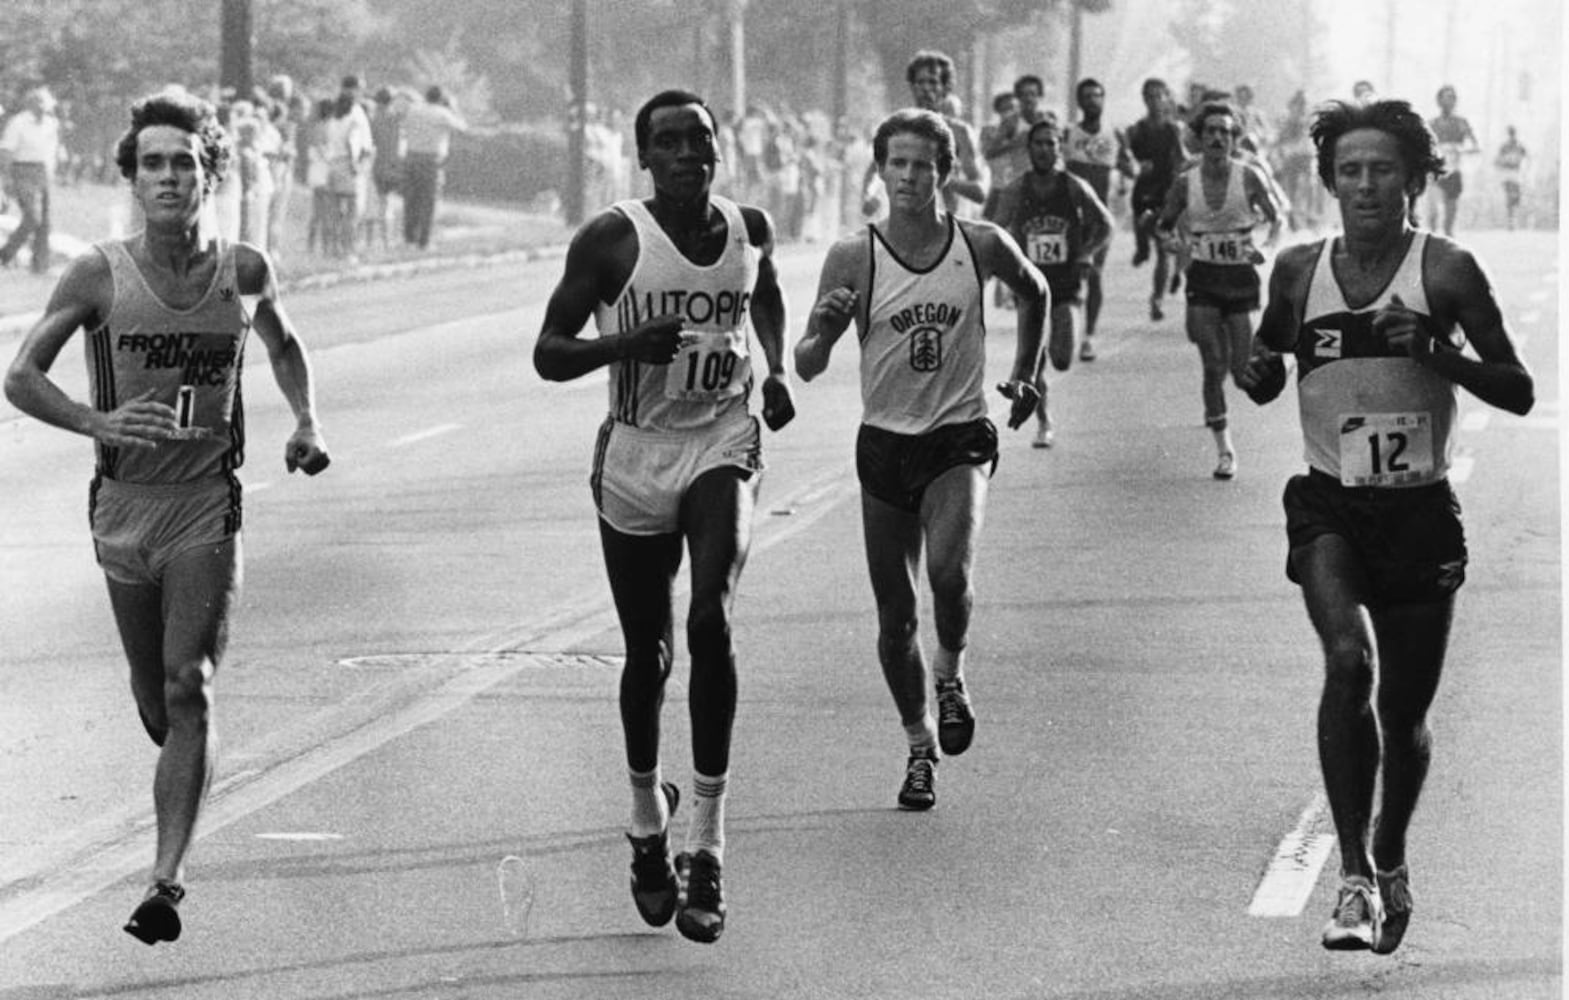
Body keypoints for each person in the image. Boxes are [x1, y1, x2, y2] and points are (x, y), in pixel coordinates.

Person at [2, 90, 330, 945]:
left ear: (209, 172)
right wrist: (96, 421)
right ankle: (189, 762)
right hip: (121, 508)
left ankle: (165, 884)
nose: (169, 177)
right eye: (153, 163)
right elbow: (20, 376)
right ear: (132, 180)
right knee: (158, 706)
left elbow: (284, 345)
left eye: (184, 162)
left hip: (205, 507)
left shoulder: (245, 271)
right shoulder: (98, 274)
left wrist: (306, 423)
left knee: (192, 687)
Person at [1236, 98, 1533, 954]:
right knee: (1345, 662)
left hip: (1417, 514)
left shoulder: (1445, 271)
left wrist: (1433, 352)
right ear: (1328, 179)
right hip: (1328, 502)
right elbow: (1266, 369)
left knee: (1402, 719)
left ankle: (1392, 853)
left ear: (1412, 179)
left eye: (1382, 170)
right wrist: (1254, 373)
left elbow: (1516, 388)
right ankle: (1355, 878)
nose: (1364, 185)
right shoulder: (1297, 270)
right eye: (1349, 170)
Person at [532, 89, 795, 945]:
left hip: (722, 438)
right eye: (671, 143)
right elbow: (547, 351)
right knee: (648, 653)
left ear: (719, 150)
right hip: (638, 456)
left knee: (712, 618)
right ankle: (647, 818)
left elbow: (764, 295)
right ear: (645, 158)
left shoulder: (746, 227)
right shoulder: (612, 240)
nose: (689, 154)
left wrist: (778, 369)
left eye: (702, 140)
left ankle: (708, 845)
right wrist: (620, 346)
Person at [794, 108, 1047, 811]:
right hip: (883, 443)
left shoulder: (980, 243)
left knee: (948, 573)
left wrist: (1027, 374)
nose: (907, 177)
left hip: (957, 436)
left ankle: (952, 673)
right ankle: (916, 748)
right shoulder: (853, 256)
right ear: (879, 169)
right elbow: (807, 364)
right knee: (895, 615)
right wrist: (821, 329)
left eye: (921, 164)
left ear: (943, 171)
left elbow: (1036, 292)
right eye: (895, 163)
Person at [1154, 101, 1281, 480]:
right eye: (1210, 131)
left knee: (1242, 375)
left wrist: (1267, 248)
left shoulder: (1250, 176)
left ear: (1234, 138)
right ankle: (1225, 450)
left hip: (1240, 279)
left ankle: (1278, 357)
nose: (1217, 138)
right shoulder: (1184, 183)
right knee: (1213, 365)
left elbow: (1277, 219)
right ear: (1199, 137)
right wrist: (1171, 243)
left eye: (1225, 132)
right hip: (1204, 279)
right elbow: (1163, 225)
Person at [992, 119, 1113, 446]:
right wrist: (1002, 275)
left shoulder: (1073, 186)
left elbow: (1105, 223)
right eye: (1038, 144)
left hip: (1065, 286)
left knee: (1061, 357)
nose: (1044, 150)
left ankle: (1044, 412)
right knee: (1034, 360)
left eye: (1050, 143)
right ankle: (1044, 422)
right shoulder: (1016, 189)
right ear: (1029, 149)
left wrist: (1087, 252)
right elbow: (996, 234)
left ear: (1060, 148)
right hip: (1030, 287)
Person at [863, 51, 988, 219]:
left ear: (945, 88)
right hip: (904, 223)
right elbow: (874, 171)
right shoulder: (897, 127)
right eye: (920, 82)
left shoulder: (959, 132)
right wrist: (868, 196)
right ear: (913, 86)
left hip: (946, 224)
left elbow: (979, 191)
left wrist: (942, 178)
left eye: (933, 82)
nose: (926, 88)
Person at [1061, 77, 1132, 361]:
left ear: (1103, 100)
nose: (1092, 101)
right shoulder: (1068, 134)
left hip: (1101, 216)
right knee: (1069, 275)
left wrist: (1125, 172)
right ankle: (1067, 328)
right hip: (1071, 215)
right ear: (1079, 101)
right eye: (1087, 96)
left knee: (1094, 273)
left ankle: (1088, 336)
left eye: (1097, 96)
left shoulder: (1115, 134)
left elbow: (1130, 166)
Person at [1125, 78, 1188, 321]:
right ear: (1144, 99)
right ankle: (1141, 246)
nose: (1154, 100)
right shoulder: (1136, 130)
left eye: (1158, 95)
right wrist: (1136, 167)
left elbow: (1183, 157)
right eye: (1149, 96)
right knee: (1144, 238)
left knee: (1163, 249)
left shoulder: (1174, 130)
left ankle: (1157, 298)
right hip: (1143, 192)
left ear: (1166, 98)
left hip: (1167, 191)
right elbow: (1125, 160)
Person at [0, 86, 62, 273]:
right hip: (22, 169)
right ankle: (5, 254)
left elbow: (51, 151)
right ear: (32, 104)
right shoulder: (18, 123)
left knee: (44, 222)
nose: (44, 107)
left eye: (46, 103)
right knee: (32, 217)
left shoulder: (52, 124)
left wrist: (50, 173)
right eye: (40, 103)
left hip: (42, 171)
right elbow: (7, 151)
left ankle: (40, 265)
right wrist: (6, 178)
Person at [401, 85, 466, 250]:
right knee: (428, 202)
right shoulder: (442, 114)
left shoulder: (413, 110)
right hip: (431, 160)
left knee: (412, 200)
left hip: (411, 156)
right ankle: (424, 241)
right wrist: (454, 108)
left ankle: (409, 238)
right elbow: (462, 127)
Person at [1425, 85, 1478, 236]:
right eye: (1447, 97)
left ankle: (1448, 243)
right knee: (1433, 212)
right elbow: (1423, 146)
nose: (1450, 101)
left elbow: (1475, 145)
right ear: (1439, 100)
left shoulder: (1461, 122)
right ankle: (1432, 240)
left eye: (1453, 97)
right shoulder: (1432, 124)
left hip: (1454, 171)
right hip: (1436, 172)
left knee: (1450, 216)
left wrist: (1460, 149)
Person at [1493, 125, 1528, 230]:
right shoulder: (1504, 147)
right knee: (1510, 195)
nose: (1512, 135)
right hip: (1507, 173)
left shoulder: (1520, 146)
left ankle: (1513, 219)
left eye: (1513, 133)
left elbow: (1526, 157)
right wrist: (1502, 164)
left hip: (1516, 173)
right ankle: (1510, 221)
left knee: (1516, 197)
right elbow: (1497, 161)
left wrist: (1525, 169)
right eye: (1510, 133)